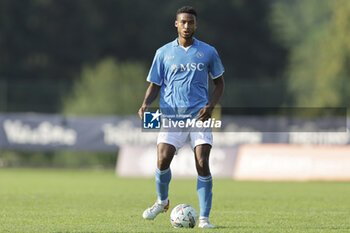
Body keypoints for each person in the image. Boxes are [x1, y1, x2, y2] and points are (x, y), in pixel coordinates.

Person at [138, 6, 224, 228]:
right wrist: (146, 103)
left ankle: (204, 219)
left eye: (191, 22)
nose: (187, 26)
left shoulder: (208, 52)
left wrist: (210, 106)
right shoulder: (163, 52)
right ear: (176, 24)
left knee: (202, 162)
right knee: (162, 158)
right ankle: (162, 201)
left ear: (196, 25)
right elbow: (155, 84)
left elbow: (219, 83)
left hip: (199, 116)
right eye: (183, 22)